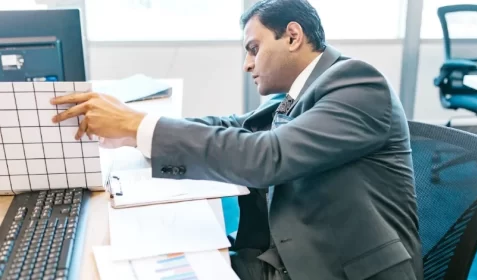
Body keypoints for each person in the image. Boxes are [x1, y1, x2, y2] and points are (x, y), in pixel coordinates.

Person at [51, 0, 423, 279]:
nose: (247, 64)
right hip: (278, 255)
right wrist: (133, 130)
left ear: (293, 36)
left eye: (253, 48)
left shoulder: (357, 82)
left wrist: (137, 125)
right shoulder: (299, 95)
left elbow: (267, 157)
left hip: (334, 269)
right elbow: (232, 126)